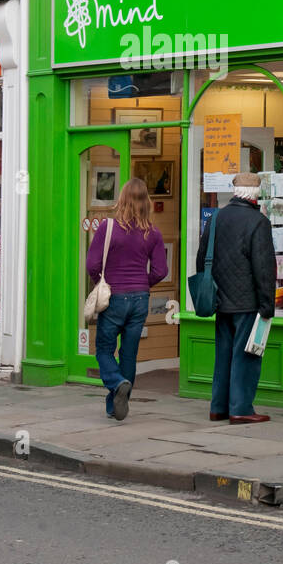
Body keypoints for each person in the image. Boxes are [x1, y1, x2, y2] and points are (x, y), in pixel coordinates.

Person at [195, 172, 276, 424]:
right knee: (246, 356)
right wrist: (267, 304)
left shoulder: (216, 218)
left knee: (223, 354)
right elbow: (264, 268)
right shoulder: (258, 221)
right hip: (247, 302)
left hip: (220, 300)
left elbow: (201, 259)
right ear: (255, 194)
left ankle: (218, 407)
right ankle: (240, 408)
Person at [86, 178, 167, 421]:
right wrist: (144, 283)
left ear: (122, 199)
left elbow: (92, 264)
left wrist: (99, 282)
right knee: (129, 354)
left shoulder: (107, 227)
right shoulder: (153, 232)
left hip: (115, 297)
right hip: (141, 299)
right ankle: (116, 405)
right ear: (147, 203)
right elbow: (161, 270)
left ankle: (117, 382)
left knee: (104, 349)